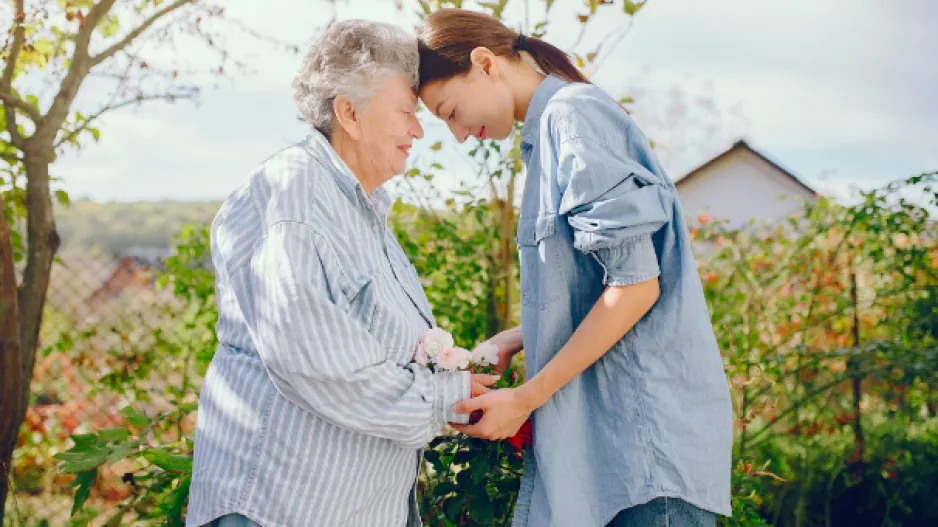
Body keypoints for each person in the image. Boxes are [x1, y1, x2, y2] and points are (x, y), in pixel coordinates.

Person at [416, 8, 734, 527]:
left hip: (643, 455)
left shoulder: (573, 116)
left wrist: (523, 400)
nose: (458, 134)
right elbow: (600, 286)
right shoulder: (545, 135)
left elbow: (635, 288)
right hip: (614, 457)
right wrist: (515, 338)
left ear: (484, 64)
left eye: (450, 111)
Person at [186, 19, 495, 527]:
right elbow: (316, 359)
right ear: (349, 113)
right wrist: (447, 397)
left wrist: (469, 373)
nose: (418, 130)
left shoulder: (359, 207)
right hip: (280, 509)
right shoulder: (297, 197)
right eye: (405, 112)